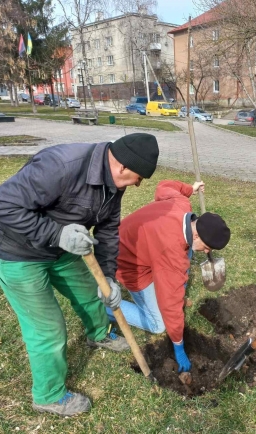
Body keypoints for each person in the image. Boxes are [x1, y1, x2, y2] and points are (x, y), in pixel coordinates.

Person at [0, 133, 159, 417]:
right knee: (47, 329)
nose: (138, 184)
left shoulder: (114, 184)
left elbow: (109, 229)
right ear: (122, 166)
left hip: (62, 251)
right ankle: (48, 395)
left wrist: (109, 276)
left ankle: (99, 334)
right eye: (138, 178)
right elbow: (4, 205)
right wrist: (57, 234)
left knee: (91, 294)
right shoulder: (60, 165)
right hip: (18, 253)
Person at [107, 180, 230, 372]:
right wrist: (178, 345)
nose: (206, 252)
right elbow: (170, 302)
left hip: (132, 239)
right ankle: (103, 306)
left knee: (185, 254)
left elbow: (164, 186)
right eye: (207, 247)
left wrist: (191, 189)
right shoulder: (171, 255)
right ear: (197, 235)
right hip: (127, 262)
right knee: (157, 324)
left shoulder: (181, 205)